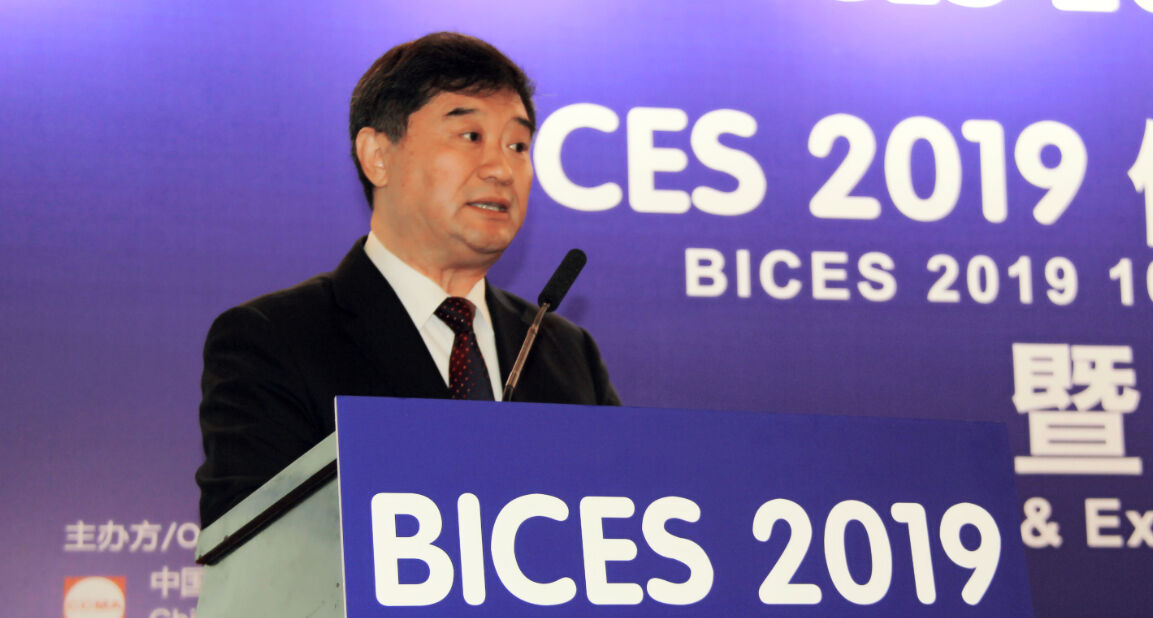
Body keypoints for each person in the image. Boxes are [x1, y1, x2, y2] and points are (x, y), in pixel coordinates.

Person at [195, 32, 620, 528]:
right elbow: (255, 548)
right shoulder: (274, 340)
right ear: (378, 155)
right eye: (471, 137)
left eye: (518, 145)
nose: (502, 169)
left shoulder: (566, 354)